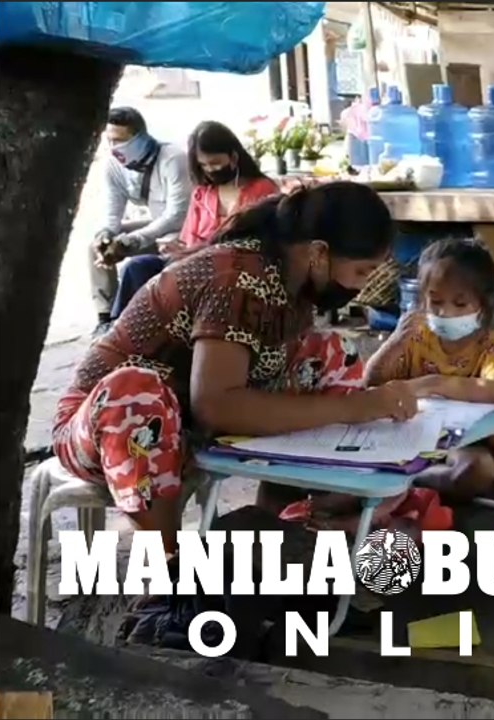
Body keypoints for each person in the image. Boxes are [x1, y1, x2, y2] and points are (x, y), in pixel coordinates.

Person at [53, 182, 421, 553]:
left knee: (332, 353)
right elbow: (215, 406)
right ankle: (169, 566)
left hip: (183, 423)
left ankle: (284, 524)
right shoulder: (237, 277)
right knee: (137, 394)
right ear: (319, 253)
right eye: (360, 272)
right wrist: (355, 408)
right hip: (106, 429)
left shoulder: (290, 278)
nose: (360, 287)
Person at [364, 237, 494, 501]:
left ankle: (405, 484)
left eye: (460, 304)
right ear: (422, 299)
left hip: (466, 444)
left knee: (476, 471)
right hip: (412, 437)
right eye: (435, 302)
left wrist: (432, 383)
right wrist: (394, 342)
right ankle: (397, 489)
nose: (445, 313)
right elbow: (372, 381)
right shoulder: (415, 338)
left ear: (483, 304)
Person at [108, 121, 279, 320]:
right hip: (193, 263)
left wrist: (196, 251)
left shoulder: (262, 190)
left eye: (215, 163)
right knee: (136, 268)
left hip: (234, 267)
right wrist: (177, 249)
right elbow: (188, 240)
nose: (210, 170)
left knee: (173, 281)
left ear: (233, 157)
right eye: (203, 165)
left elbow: (257, 243)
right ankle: (118, 331)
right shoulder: (202, 193)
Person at [91, 107, 191, 335]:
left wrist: (132, 240)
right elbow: (112, 211)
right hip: (153, 228)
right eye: (109, 140)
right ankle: (105, 317)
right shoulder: (114, 166)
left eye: (119, 140)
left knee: (134, 262)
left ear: (140, 137)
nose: (114, 148)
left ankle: (128, 320)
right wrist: (106, 234)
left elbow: (176, 215)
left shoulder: (173, 159)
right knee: (96, 245)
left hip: (180, 232)